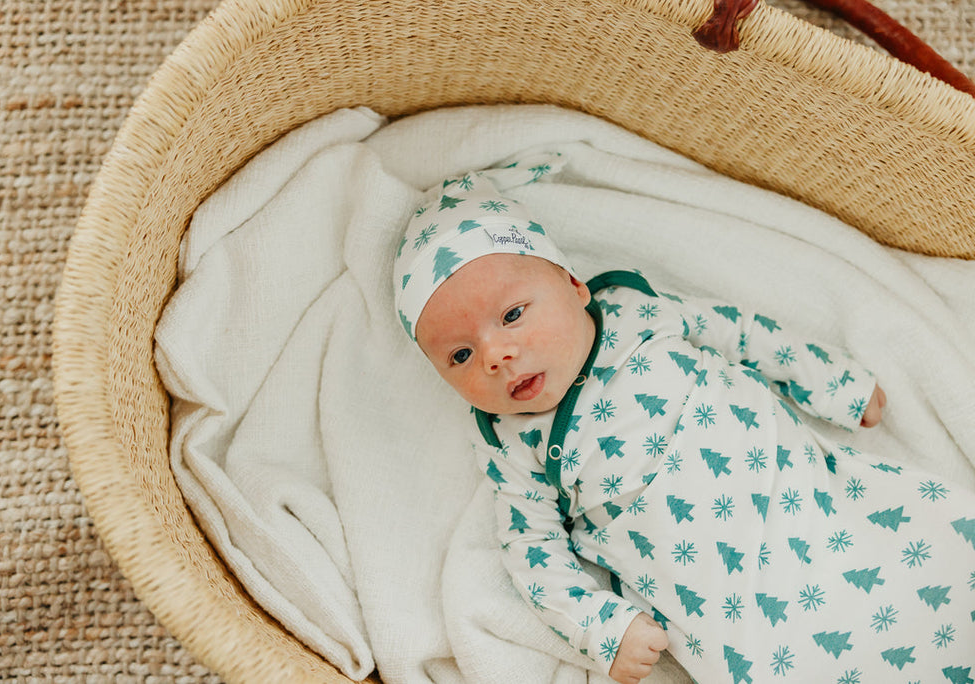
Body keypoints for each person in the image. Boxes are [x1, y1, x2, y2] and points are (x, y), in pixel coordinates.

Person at [392, 157, 974, 683]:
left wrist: (833, 382)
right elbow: (530, 546)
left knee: (928, 549)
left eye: (513, 314)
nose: (494, 355)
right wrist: (603, 628)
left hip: (809, 499)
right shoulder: (512, 441)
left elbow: (743, 334)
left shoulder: (638, 311)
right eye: (460, 356)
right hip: (726, 600)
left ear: (573, 287)